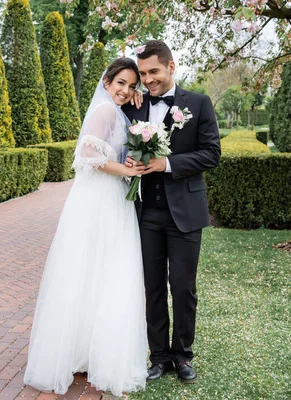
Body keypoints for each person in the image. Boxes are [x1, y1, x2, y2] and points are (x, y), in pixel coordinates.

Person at [23, 58, 148, 397]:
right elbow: (86, 156)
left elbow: (109, 151)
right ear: (107, 81)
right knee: (101, 268)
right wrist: (126, 172)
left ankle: (86, 350)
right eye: (120, 83)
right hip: (100, 200)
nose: (125, 90)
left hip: (107, 197)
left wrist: (128, 162)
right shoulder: (105, 111)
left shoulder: (117, 110)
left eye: (131, 85)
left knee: (96, 271)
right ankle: (92, 352)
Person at [122, 40, 221, 383]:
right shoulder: (133, 106)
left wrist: (168, 164)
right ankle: (159, 357)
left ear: (171, 67)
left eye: (154, 72)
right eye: (143, 73)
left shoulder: (198, 103)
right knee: (152, 288)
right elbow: (119, 148)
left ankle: (183, 356)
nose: (148, 80)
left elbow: (211, 154)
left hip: (185, 213)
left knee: (182, 288)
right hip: (146, 211)